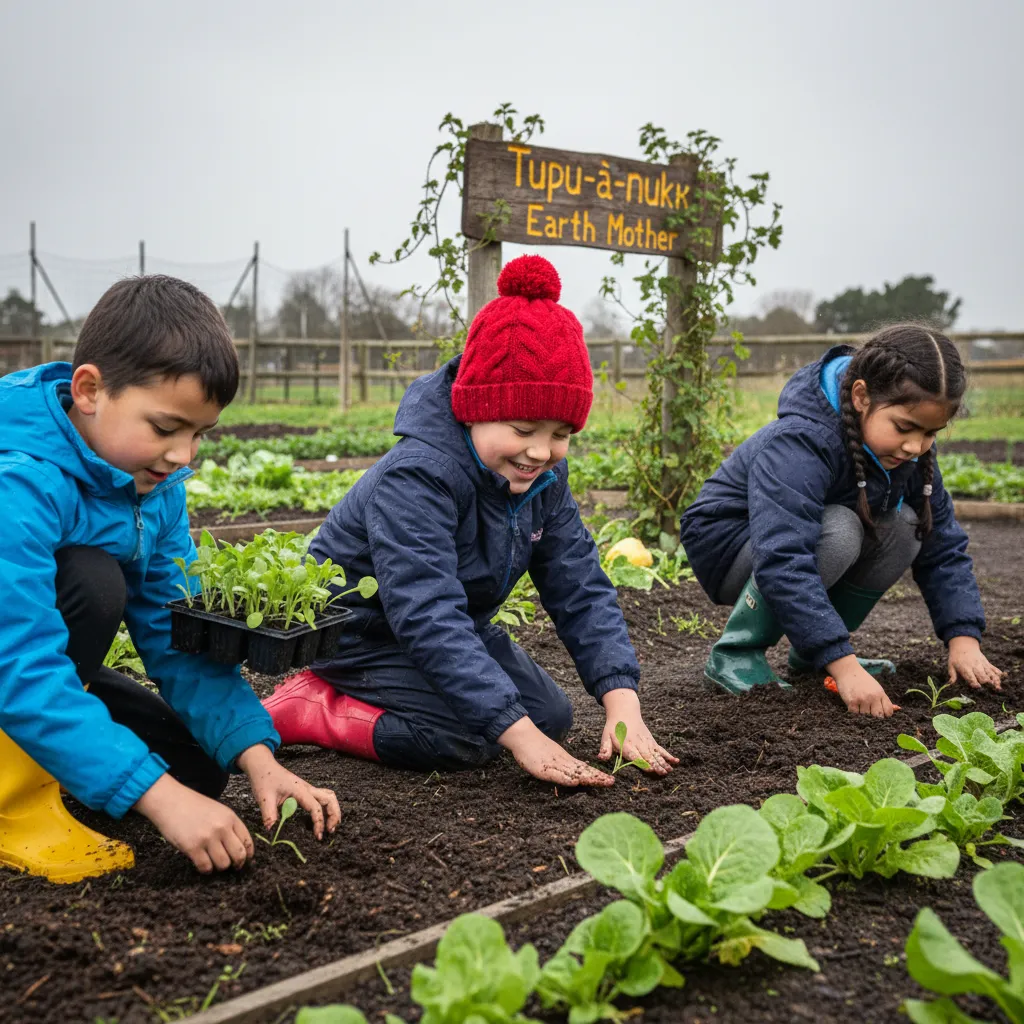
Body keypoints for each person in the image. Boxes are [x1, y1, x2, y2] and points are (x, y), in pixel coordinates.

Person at [263, 254, 677, 785]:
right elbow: (426, 610)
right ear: (472, 407)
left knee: (549, 718)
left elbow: (580, 586)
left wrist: (624, 704)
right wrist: (517, 736)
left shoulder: (545, 479)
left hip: (448, 627)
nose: (541, 451)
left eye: (560, 433)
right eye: (524, 428)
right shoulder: (417, 477)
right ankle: (313, 706)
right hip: (357, 631)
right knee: (473, 735)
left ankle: (439, 709)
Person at [0, 276, 340, 883]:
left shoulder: (155, 490)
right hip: (10, 663)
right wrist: (157, 799)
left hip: (27, 661)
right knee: (92, 581)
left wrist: (257, 759)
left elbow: (173, 633)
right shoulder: (17, 483)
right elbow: (18, 664)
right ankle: (15, 806)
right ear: (89, 390)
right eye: (164, 428)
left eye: (198, 434)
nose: (184, 456)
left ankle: (67, 753)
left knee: (197, 772)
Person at [681, 324, 1003, 718]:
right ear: (861, 396)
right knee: (838, 530)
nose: (915, 446)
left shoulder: (909, 458)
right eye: (904, 427)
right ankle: (736, 652)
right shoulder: (801, 439)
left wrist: (963, 636)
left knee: (907, 525)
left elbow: (943, 547)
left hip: (798, 542)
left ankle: (810, 654)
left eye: (930, 433)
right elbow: (783, 554)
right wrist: (845, 665)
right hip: (729, 545)